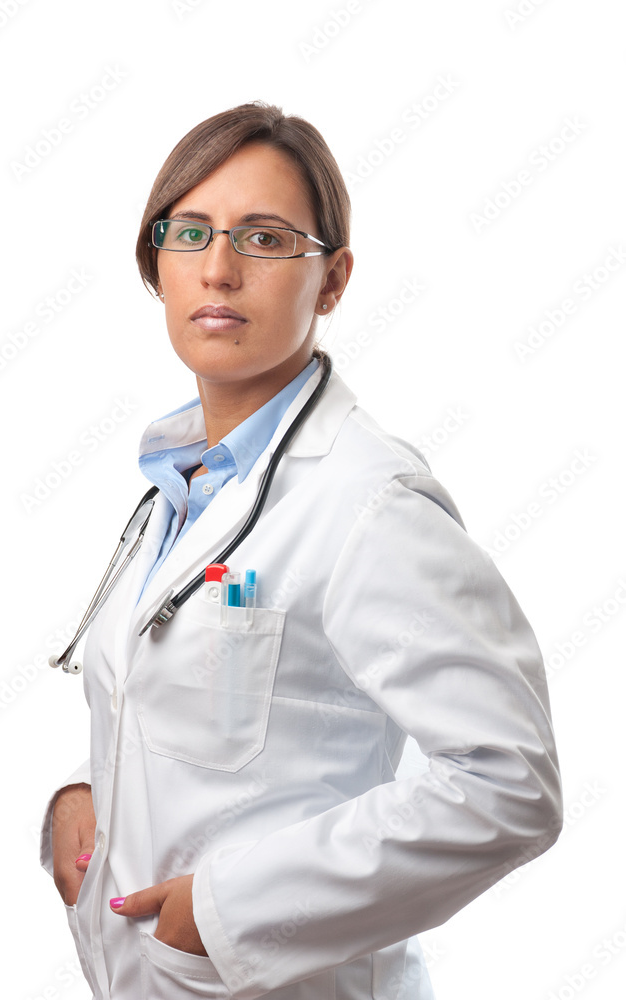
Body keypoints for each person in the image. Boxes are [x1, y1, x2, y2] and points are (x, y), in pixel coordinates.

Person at [40, 101, 562, 1000]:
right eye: (190, 231)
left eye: (267, 239)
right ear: (155, 264)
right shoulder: (179, 484)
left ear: (331, 280)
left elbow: (508, 784)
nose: (218, 268)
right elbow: (214, 718)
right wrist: (78, 794)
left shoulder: (368, 501)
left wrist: (223, 913)